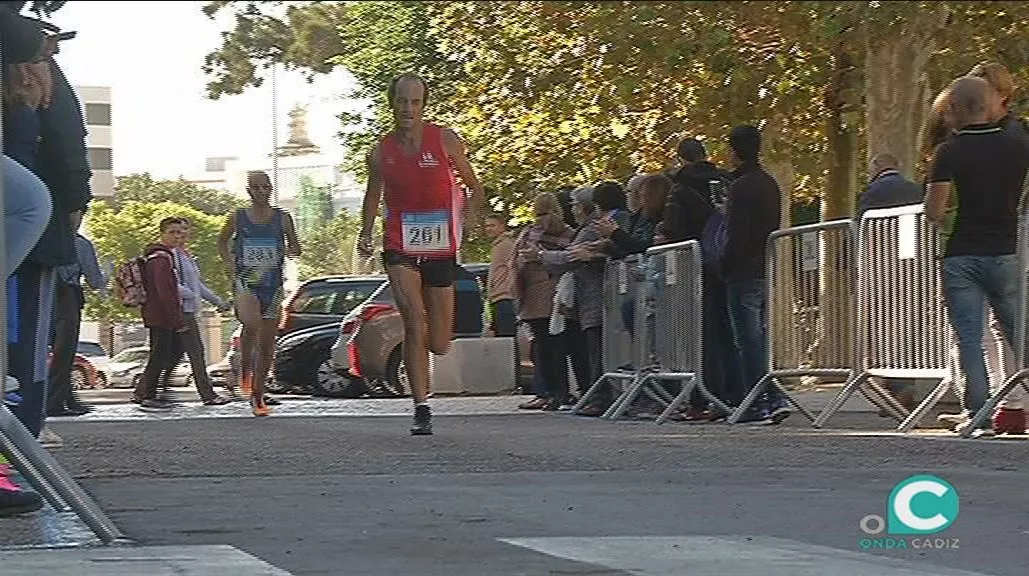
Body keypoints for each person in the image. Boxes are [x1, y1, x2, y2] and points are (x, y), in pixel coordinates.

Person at [357, 73, 485, 435]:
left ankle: (428, 344)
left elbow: (474, 185)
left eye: (415, 102)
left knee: (440, 342)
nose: (408, 109)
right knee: (413, 319)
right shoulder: (380, 151)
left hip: (441, 245)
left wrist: (473, 218)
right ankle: (421, 407)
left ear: (424, 104)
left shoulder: (444, 139)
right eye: (401, 101)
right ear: (392, 103)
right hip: (400, 244)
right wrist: (365, 232)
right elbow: (373, 195)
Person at [925, 76, 1029, 438]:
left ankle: (978, 412)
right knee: (1018, 332)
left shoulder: (949, 152)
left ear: (952, 109)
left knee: (969, 335)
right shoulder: (1017, 146)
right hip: (1005, 248)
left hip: (962, 251)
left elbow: (935, 208)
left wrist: (942, 212)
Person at [217, 171, 301, 417]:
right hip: (246, 282)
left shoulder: (283, 218)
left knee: (267, 342)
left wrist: (289, 250)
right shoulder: (238, 217)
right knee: (251, 324)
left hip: (272, 284)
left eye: (265, 187)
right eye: (256, 187)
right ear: (248, 191)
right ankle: (245, 366)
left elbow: (296, 247)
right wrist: (229, 264)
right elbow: (221, 242)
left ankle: (257, 392)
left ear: (271, 188)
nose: (261, 191)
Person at [722, 125, 790, 424]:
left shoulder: (742, 186)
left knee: (747, 338)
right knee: (756, 335)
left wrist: (723, 263)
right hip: (764, 265)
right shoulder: (768, 183)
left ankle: (762, 397)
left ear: (734, 151)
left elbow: (738, 234)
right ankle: (770, 394)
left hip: (744, 269)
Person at [858, 153, 924, 416]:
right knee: (906, 327)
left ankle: (893, 384)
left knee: (882, 328)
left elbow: (862, 232)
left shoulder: (871, 193)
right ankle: (901, 383)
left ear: (874, 168)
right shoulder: (915, 189)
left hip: (880, 268)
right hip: (913, 267)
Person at [513, 193, 574, 410]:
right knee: (555, 345)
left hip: (534, 292)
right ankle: (559, 392)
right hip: (554, 292)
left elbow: (517, 260)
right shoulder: (567, 232)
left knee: (542, 346)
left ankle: (548, 392)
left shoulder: (529, 233)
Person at [46, 229, 106, 416]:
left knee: (46, 350)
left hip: (40, 295)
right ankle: (54, 402)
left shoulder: (43, 236)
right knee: (65, 351)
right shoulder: (78, 243)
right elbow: (94, 280)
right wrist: (107, 275)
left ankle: (68, 398)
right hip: (66, 296)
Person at [171, 218, 231, 406]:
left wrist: (217, 301)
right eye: (177, 231)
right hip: (180, 312)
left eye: (185, 230)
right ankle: (208, 394)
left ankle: (147, 391)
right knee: (196, 353)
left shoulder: (185, 255)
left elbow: (198, 285)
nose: (182, 234)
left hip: (188, 311)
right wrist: (191, 296)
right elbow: (171, 284)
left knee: (167, 355)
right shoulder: (170, 254)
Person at [134, 218, 187, 412]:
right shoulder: (160, 258)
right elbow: (165, 291)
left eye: (179, 233)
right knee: (161, 354)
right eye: (172, 232)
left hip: (158, 314)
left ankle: (148, 391)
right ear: (162, 233)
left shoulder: (164, 256)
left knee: (166, 352)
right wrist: (176, 319)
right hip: (161, 315)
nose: (176, 236)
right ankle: (149, 393)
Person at [484, 213, 516, 337]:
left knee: (507, 338)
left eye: (492, 225)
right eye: (486, 226)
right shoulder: (498, 245)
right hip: (498, 297)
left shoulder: (506, 244)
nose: (488, 229)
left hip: (505, 297)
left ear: (502, 226)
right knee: (504, 339)